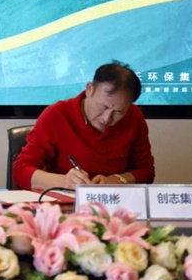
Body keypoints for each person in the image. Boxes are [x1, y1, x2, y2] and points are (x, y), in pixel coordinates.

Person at [12, 62, 155, 191]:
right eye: (104, 107)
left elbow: (147, 171)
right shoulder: (57, 115)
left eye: (118, 112)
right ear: (89, 89)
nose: (107, 118)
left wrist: (119, 179)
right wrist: (64, 181)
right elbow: (20, 171)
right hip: (65, 202)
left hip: (113, 202)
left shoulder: (134, 117)